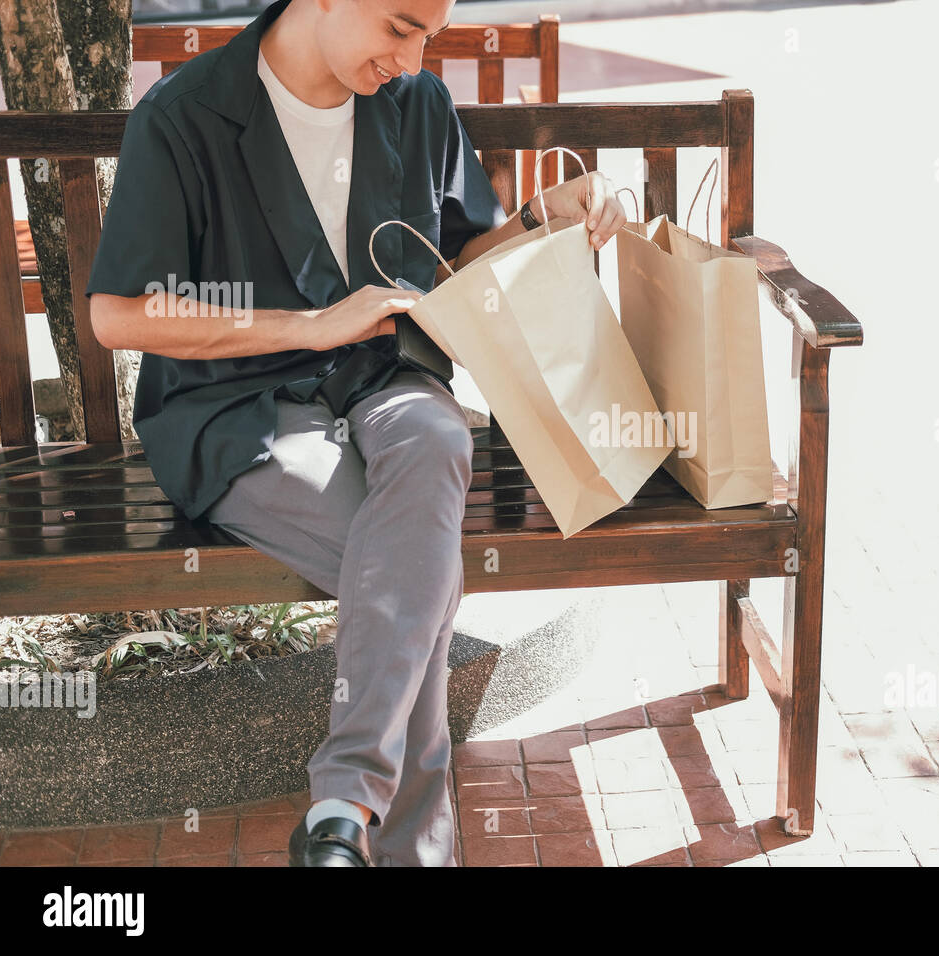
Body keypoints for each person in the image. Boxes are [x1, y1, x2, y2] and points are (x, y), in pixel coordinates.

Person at [85, 0, 626, 866]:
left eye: (429, 38)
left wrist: (540, 217)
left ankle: (342, 809)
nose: (411, 60)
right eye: (400, 27)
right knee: (415, 577)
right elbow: (120, 314)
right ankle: (397, 842)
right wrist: (310, 326)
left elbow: (456, 264)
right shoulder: (186, 114)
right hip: (238, 406)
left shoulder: (414, 105)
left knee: (439, 445)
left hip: (387, 376)